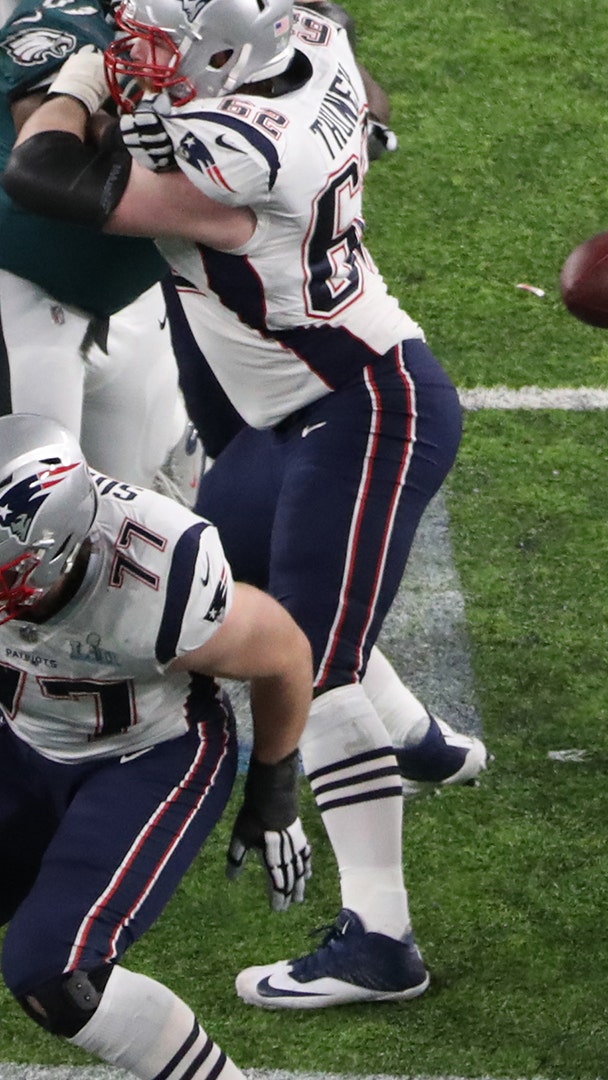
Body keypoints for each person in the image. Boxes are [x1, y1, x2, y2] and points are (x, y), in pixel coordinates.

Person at [3, 0, 464, 1007]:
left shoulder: (238, 161)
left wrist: (79, 83)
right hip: (281, 409)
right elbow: (355, 83)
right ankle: (425, 745)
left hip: (361, 405)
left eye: (159, 47)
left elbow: (42, 177)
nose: (135, 56)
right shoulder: (306, 43)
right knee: (244, 583)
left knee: (318, 663)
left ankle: (381, 939)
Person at [0, 413, 312, 1079]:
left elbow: (284, 651)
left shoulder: (160, 573)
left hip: (148, 754)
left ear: (49, 554)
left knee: (55, 972)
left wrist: (275, 785)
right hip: (21, 731)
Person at [0, 0, 201, 500]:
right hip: (22, 302)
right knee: (33, 524)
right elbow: (43, 142)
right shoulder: (70, 17)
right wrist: (89, 96)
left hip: (131, 298)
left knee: (153, 508)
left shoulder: (243, 32)